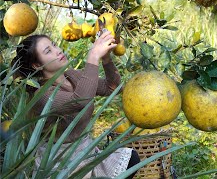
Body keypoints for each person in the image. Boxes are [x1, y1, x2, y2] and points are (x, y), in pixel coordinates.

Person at [11, 31, 140, 178]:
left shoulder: (72, 76)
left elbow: (112, 87)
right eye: (48, 51)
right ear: (37, 65)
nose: (58, 50)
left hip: (85, 151)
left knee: (132, 159)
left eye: (54, 45)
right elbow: (81, 100)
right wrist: (93, 56)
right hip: (60, 162)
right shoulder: (42, 95)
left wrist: (105, 59)